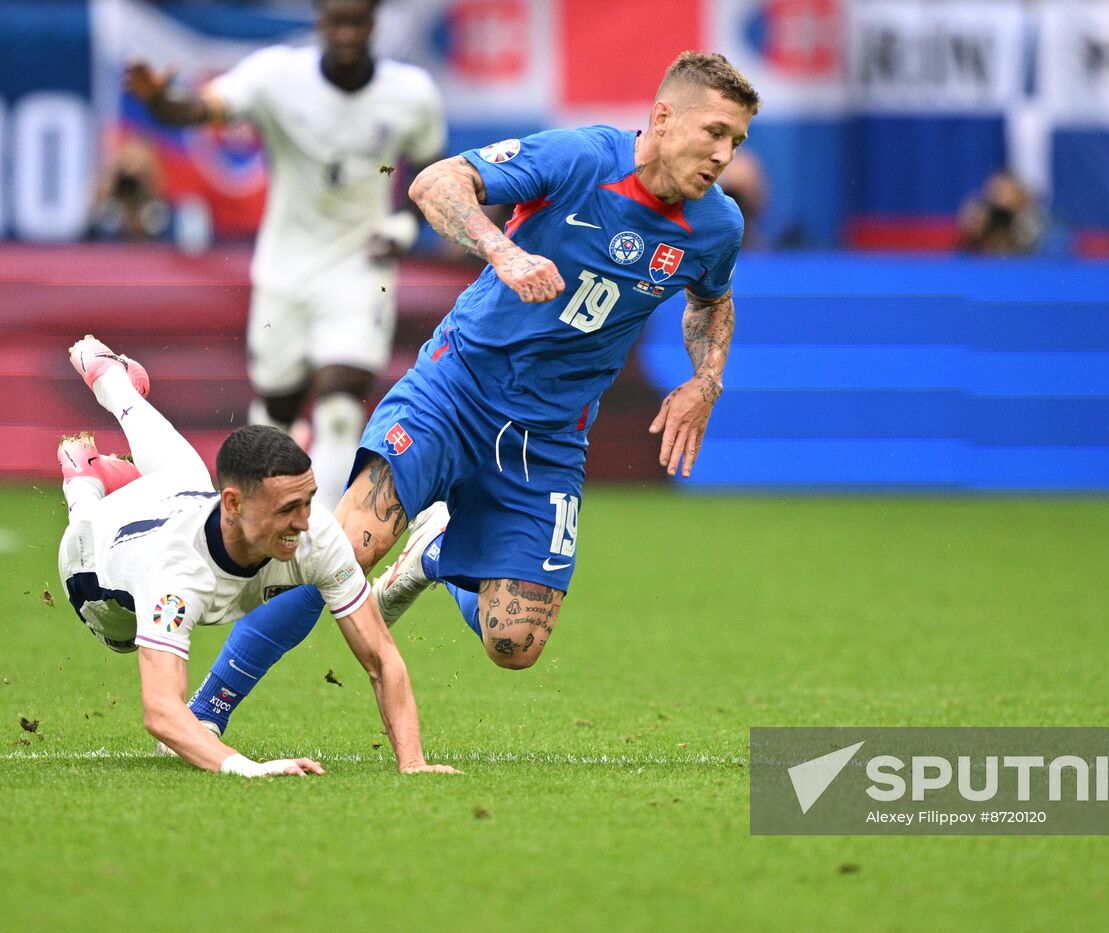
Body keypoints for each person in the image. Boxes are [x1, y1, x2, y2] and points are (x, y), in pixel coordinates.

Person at [182, 51, 760, 734]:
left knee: (514, 644)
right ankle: (205, 712)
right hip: (454, 393)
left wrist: (706, 378)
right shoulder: (579, 159)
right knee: (340, 552)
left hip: (545, 438)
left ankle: (436, 554)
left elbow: (709, 301)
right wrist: (501, 249)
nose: (725, 154)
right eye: (715, 132)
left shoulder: (717, 225)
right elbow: (436, 183)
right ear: (664, 117)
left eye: (737, 141)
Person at [58, 335, 457, 777]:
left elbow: (381, 656)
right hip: (97, 569)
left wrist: (413, 761)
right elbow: (162, 713)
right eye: (287, 509)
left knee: (186, 474)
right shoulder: (175, 578)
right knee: (120, 633)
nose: (304, 523)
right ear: (234, 505)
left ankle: (112, 382)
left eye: (307, 501)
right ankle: (85, 484)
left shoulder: (314, 532)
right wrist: (248, 767)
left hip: (177, 498)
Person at [124, 0, 446, 511]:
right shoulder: (277, 77)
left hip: (360, 268)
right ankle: (256, 528)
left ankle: (322, 536)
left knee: (341, 406)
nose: (345, 32)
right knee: (277, 413)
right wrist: (163, 102)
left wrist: (403, 226)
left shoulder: (411, 94)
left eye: (356, 20)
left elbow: (430, 167)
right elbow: (202, 109)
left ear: (373, 22)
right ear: (320, 21)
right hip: (285, 269)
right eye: (336, 20)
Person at [957, 170, 1042, 256]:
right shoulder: (978, 232)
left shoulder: (1036, 225)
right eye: (995, 193)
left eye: (1005, 193)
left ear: (1022, 197)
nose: (1001, 201)